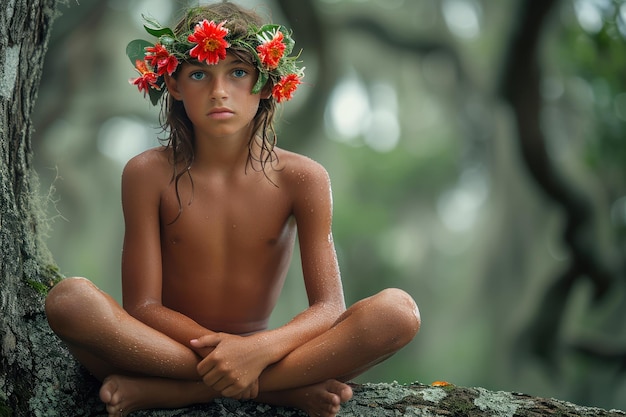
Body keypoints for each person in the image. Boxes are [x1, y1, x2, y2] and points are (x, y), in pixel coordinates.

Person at [44, 2, 421, 417]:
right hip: (166, 348)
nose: (219, 91)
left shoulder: (303, 178)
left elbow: (329, 308)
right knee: (70, 302)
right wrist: (225, 356)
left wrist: (255, 350)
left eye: (238, 73)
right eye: (200, 74)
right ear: (173, 84)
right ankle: (273, 391)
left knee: (397, 313)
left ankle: (181, 392)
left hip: (265, 350)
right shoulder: (146, 173)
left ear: (264, 85)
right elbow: (143, 307)